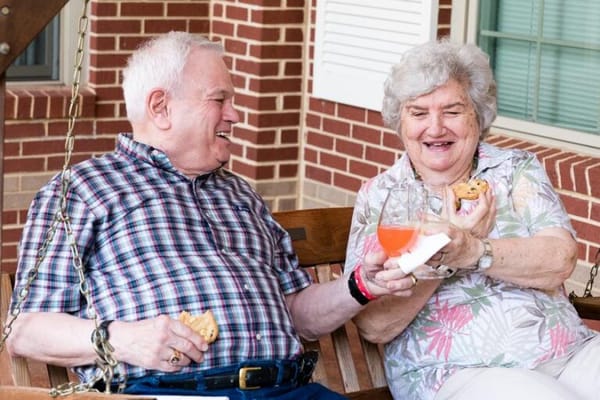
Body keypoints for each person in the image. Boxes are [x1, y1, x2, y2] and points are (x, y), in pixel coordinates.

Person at [5, 31, 416, 399]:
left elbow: (298, 314)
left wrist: (361, 283)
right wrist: (121, 339)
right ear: (161, 107)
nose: (235, 115)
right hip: (172, 391)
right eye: (220, 99)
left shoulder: (241, 195)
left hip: (290, 389)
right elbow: (22, 330)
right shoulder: (82, 190)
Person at [346, 39, 600, 400]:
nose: (435, 128)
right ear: (399, 122)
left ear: (477, 116)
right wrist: (447, 255)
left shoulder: (515, 171)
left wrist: (476, 251)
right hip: (457, 372)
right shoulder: (382, 196)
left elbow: (560, 259)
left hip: (570, 351)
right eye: (418, 113)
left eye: (452, 111)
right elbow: (374, 323)